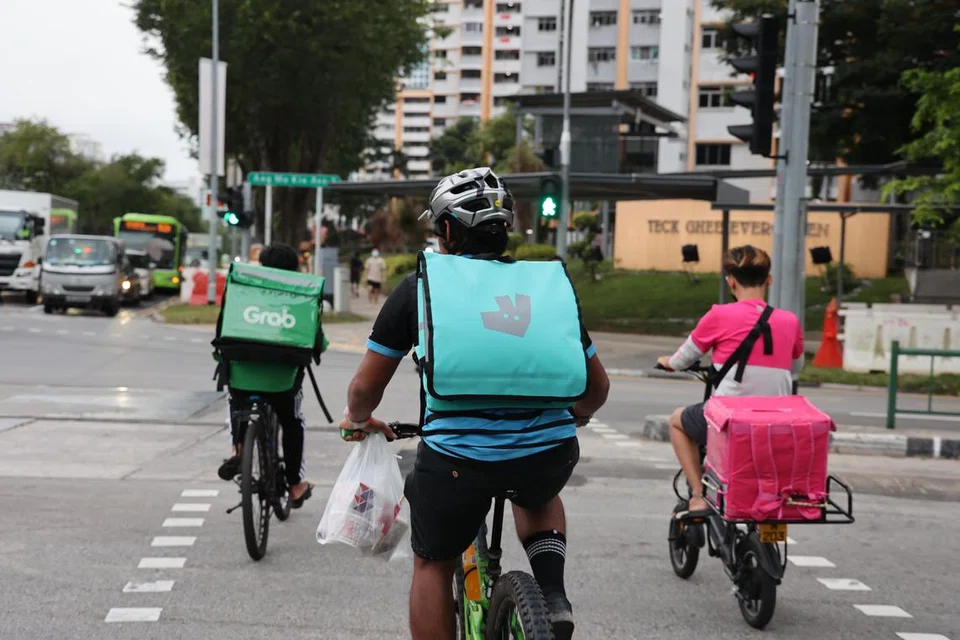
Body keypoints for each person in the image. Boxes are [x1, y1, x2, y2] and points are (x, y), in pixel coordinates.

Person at [340, 167, 610, 640]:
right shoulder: (546, 287)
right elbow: (597, 388)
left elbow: (365, 386)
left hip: (456, 462)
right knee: (539, 490)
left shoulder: (420, 287)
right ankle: (552, 595)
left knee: (432, 562)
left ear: (446, 230)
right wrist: (577, 416)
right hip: (549, 451)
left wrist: (358, 419)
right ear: (504, 228)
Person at [656, 245, 804, 520]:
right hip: (778, 421)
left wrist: (667, 362)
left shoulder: (719, 315)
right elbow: (796, 367)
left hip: (730, 420)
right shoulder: (790, 321)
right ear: (768, 280)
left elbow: (682, 359)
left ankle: (699, 496)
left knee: (677, 421)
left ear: (730, 281)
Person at [215, 243, 315, 508]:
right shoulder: (302, 295)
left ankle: (237, 448)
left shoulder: (242, 290)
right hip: (282, 382)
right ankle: (294, 485)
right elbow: (318, 341)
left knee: (235, 403)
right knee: (293, 422)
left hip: (241, 377)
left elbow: (222, 332)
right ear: (294, 269)